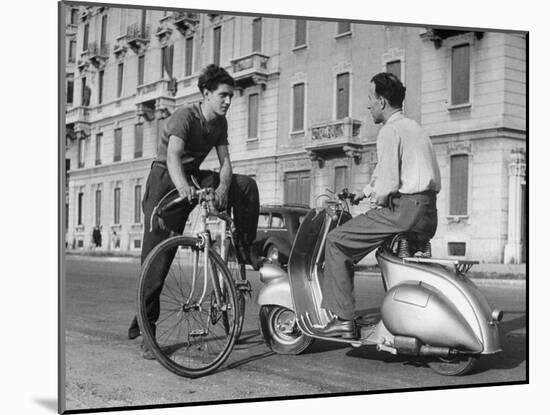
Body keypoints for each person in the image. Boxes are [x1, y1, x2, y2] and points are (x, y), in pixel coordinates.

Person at [127, 64, 260, 359]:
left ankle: (246, 247)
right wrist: (183, 187)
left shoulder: (220, 124)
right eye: (223, 95)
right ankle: (147, 330)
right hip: (165, 181)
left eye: (231, 96)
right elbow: (173, 156)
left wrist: (224, 189)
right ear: (206, 94)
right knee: (157, 263)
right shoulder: (185, 116)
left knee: (245, 185)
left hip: (193, 176)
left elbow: (226, 163)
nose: (228, 101)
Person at [319, 72, 441, 338]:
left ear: (382, 102)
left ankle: (343, 320)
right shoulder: (415, 128)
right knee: (386, 253)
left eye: (370, 99)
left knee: (337, 242)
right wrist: (362, 194)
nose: (368, 106)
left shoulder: (388, 131)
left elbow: (387, 185)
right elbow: (396, 173)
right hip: (428, 213)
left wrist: (376, 198)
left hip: (405, 211)